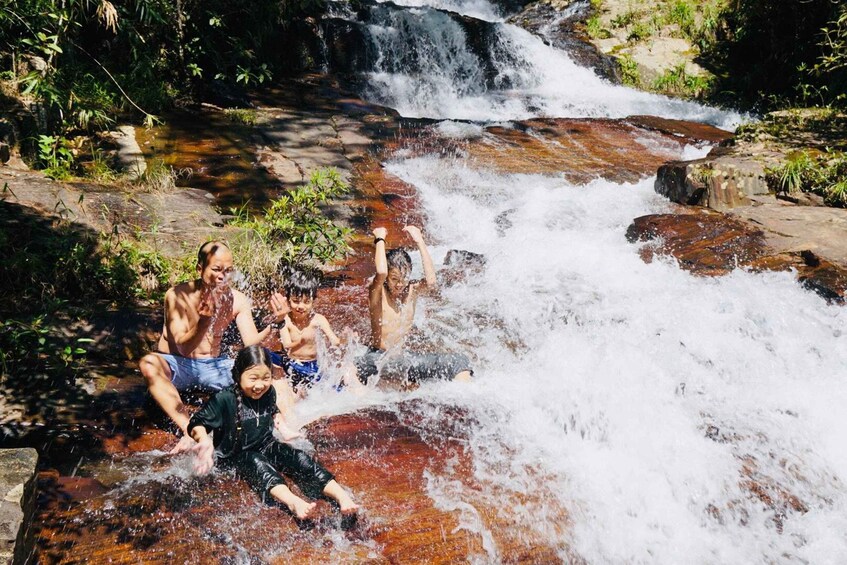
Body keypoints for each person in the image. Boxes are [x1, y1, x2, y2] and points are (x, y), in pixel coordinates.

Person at [139, 240, 294, 453]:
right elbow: (183, 348)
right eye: (216, 269)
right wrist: (203, 322)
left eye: (229, 270)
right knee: (148, 363)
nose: (223, 276)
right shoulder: (177, 295)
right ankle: (189, 429)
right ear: (200, 268)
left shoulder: (237, 300)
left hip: (215, 365)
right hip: (178, 364)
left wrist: (275, 322)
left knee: (272, 373)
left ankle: (285, 429)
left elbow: (250, 344)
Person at [189, 345, 358, 520]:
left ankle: (341, 496)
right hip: (235, 454)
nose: (259, 385)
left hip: (265, 444)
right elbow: (198, 422)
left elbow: (272, 409)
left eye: (266, 378)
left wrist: (283, 427)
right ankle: (293, 502)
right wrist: (204, 440)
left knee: (298, 457)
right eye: (253, 378)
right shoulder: (224, 398)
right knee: (257, 462)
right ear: (238, 375)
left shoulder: (269, 392)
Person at [356, 225, 472, 384]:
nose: (399, 284)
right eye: (394, 279)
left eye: (404, 278)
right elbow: (381, 272)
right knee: (392, 365)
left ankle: (459, 400)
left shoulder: (412, 290)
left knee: (459, 361)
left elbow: (431, 283)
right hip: (377, 358)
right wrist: (380, 239)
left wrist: (420, 241)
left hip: (401, 358)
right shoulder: (377, 292)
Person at [273, 269, 343, 392]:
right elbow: (287, 347)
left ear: (313, 301)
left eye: (307, 302)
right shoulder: (285, 320)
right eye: (295, 301)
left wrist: (341, 339)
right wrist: (301, 342)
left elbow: (334, 340)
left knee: (335, 389)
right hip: (291, 364)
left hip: (312, 365)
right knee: (264, 354)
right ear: (288, 299)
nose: (301, 306)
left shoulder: (318, 320)